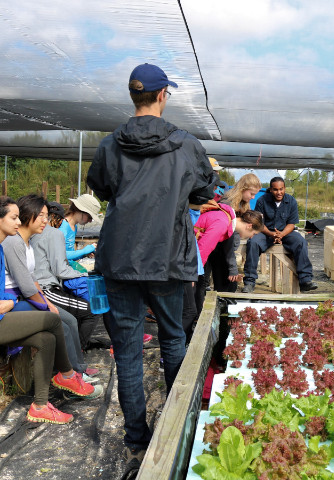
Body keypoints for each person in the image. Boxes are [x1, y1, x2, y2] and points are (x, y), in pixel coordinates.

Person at [86, 63, 217, 462]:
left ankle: (136, 437)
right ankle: (177, 425)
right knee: (173, 339)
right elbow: (205, 187)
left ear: (133, 96)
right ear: (163, 96)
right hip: (168, 258)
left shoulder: (110, 144)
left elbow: (102, 188)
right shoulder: (188, 145)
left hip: (119, 259)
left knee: (126, 351)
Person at [0, 197, 95, 424]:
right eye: (13, 218)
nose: (18, 222)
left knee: (46, 339)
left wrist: (8, 301)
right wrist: (12, 303)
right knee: (52, 321)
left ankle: (40, 406)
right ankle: (68, 375)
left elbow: (0, 291)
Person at [2, 194, 100, 383]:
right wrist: (47, 305)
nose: (45, 221)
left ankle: (74, 371)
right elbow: (30, 284)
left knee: (69, 321)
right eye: (41, 216)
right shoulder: (15, 242)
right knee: (74, 318)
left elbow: (32, 278)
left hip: (37, 293)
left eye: (47, 216)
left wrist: (46, 303)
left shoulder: (27, 242)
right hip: (24, 298)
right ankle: (70, 373)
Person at [183, 206, 264, 341]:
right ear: (249, 226)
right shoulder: (222, 223)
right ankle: (183, 343)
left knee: (188, 307)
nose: (251, 237)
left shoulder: (227, 219)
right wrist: (193, 274)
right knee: (189, 310)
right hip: (185, 257)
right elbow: (203, 248)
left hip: (187, 256)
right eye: (254, 234)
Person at [31, 201, 102, 350]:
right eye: (41, 216)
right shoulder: (53, 233)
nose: (90, 221)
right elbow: (60, 269)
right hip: (46, 287)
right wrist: (84, 272)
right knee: (92, 309)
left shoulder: (36, 233)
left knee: (81, 310)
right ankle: (78, 353)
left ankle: (77, 352)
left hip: (46, 283)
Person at [242, 177, 317, 293]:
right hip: (265, 232)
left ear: (285, 188)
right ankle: (249, 282)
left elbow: (291, 223)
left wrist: (281, 235)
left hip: (285, 233)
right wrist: (271, 234)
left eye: (281, 189)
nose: (279, 192)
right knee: (253, 242)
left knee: (301, 242)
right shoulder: (262, 201)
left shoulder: (291, 201)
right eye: (275, 189)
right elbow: (259, 223)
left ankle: (305, 280)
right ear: (271, 190)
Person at [205, 173, 261, 293]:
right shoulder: (228, 204)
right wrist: (232, 267)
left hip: (226, 251)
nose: (253, 197)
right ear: (243, 189)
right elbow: (227, 239)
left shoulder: (241, 204)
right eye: (251, 194)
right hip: (219, 249)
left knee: (228, 285)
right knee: (225, 286)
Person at [59, 194, 101, 268]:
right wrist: (83, 251)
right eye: (89, 217)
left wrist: (84, 254)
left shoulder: (74, 226)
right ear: (80, 210)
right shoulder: (63, 226)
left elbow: (71, 255)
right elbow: (59, 255)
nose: (90, 221)